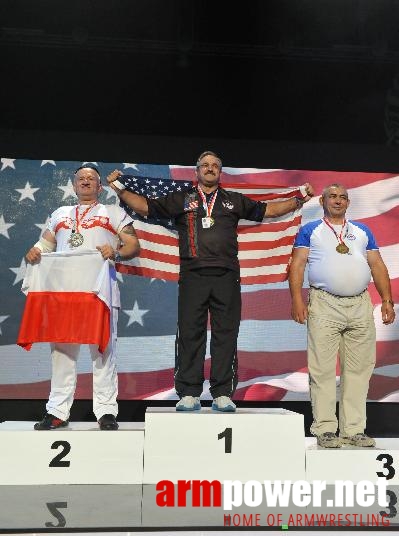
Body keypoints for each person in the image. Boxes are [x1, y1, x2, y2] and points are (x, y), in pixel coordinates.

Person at [107, 151, 314, 412]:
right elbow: (146, 207)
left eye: (214, 165)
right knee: (190, 334)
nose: (209, 168)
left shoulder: (232, 200)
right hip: (193, 276)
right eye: (205, 165)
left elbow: (268, 210)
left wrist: (298, 199)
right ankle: (189, 393)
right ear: (197, 171)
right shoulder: (182, 199)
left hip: (227, 276)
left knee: (225, 335)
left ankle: (222, 393)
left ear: (220, 172)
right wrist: (120, 189)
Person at [25, 164, 140, 430]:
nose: (86, 181)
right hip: (65, 294)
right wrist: (33, 250)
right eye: (81, 178)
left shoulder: (113, 212)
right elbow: (45, 245)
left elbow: (133, 245)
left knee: (103, 351)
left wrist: (116, 250)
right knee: (62, 352)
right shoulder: (60, 213)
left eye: (92, 179)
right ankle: (57, 411)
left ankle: (106, 411)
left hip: (100, 292)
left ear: (100, 187)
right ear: (74, 185)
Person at [289, 183, 395, 448]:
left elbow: (377, 265)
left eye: (342, 197)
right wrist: (296, 299)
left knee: (359, 370)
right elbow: (297, 266)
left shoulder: (362, 231)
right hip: (324, 304)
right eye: (332, 197)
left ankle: (353, 430)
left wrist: (387, 300)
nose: (337, 201)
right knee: (322, 370)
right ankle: (325, 429)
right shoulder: (310, 231)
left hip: (360, 304)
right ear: (323, 201)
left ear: (348, 203)